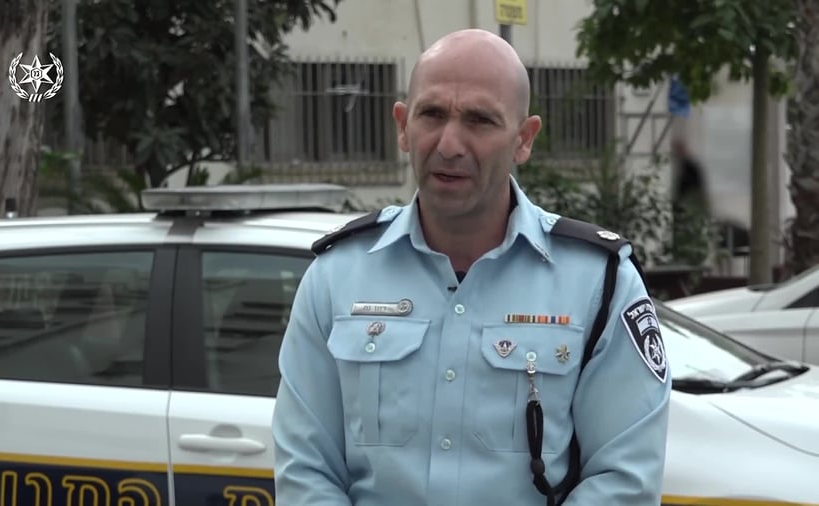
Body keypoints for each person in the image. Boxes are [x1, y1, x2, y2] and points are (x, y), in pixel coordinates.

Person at [272, 28, 671, 506]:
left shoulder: (599, 283)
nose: (449, 144)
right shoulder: (336, 277)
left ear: (523, 140)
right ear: (403, 126)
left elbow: (625, 480)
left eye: (480, 120)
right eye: (432, 114)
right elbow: (306, 470)